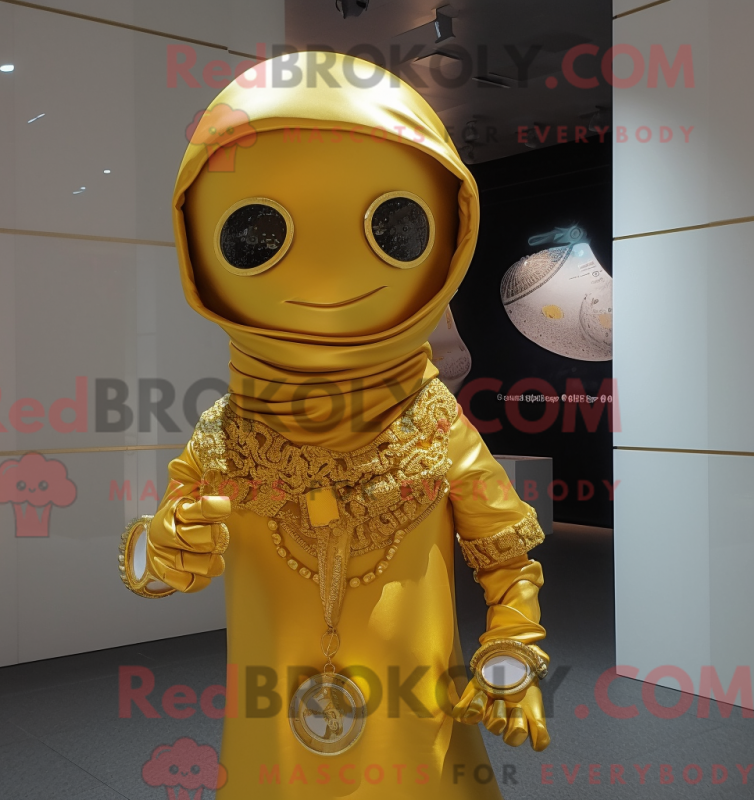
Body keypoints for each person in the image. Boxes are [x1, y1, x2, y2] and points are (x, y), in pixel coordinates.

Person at [119, 51, 549, 798]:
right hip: (275, 742)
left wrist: (510, 652)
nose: (326, 273)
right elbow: (159, 567)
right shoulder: (226, 437)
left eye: (395, 230)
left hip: (416, 732)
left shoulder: (432, 424)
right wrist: (165, 547)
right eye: (256, 235)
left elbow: (505, 553)